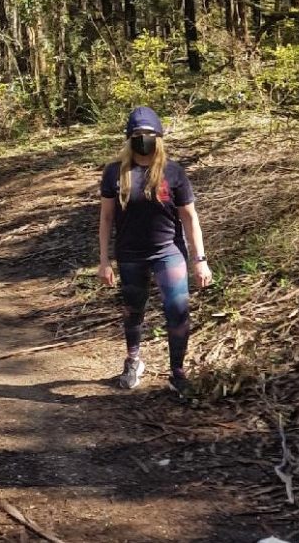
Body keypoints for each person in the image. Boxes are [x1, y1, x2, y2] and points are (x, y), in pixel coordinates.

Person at [98, 107, 213, 396]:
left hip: (168, 252)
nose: (143, 139)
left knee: (177, 310)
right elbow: (106, 219)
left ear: (159, 138)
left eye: (149, 134)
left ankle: (177, 372)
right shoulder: (115, 173)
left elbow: (190, 217)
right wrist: (104, 261)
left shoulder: (173, 172)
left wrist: (200, 260)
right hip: (130, 254)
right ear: (128, 138)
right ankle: (133, 361)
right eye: (137, 135)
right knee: (133, 310)